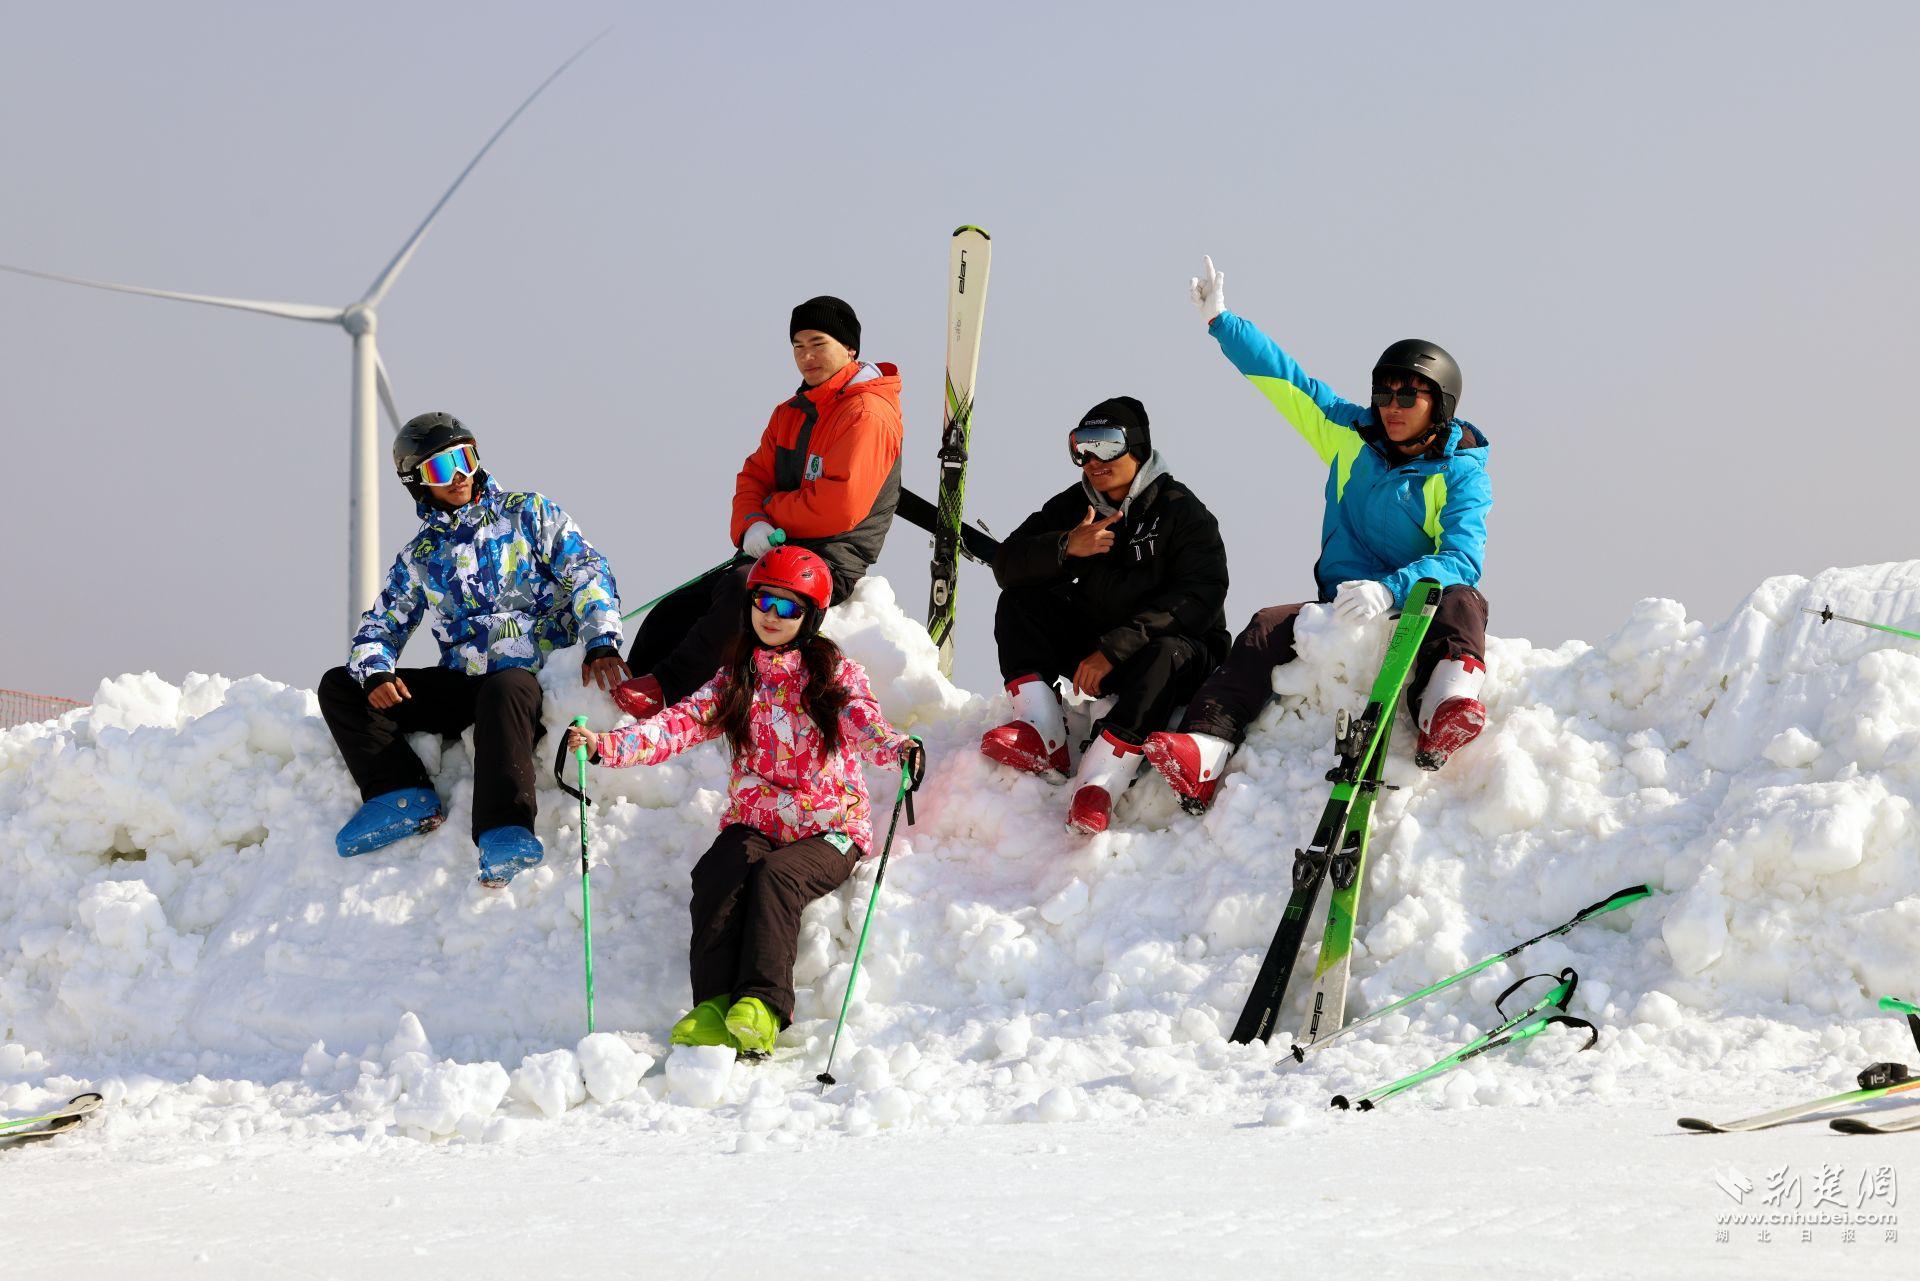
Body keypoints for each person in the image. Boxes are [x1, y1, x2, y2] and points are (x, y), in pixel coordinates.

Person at [1144, 257, 1492, 813]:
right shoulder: (1349, 436)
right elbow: (1287, 382)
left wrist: (1392, 588)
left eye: (1409, 396)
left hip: (1417, 605)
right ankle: (1206, 747)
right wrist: (1222, 323)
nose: (1392, 407)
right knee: (1266, 625)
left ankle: (1445, 708)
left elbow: (1462, 556)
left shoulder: (1461, 471)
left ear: (1440, 405)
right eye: (1385, 393)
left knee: (1464, 600)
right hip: (1344, 605)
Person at [567, 546, 925, 1056]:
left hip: (831, 828)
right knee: (719, 869)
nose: (773, 617)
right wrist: (605, 747)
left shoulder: (832, 676)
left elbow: (864, 721)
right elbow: (678, 725)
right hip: (758, 821)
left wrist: (898, 749)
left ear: (811, 617)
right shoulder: (736, 680)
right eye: (764, 603)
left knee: (778, 877)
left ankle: (762, 1005)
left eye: (789, 608)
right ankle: (713, 1005)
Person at [318, 412, 627, 887]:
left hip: (529, 678)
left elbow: (588, 570)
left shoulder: (529, 513)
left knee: (504, 689)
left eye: (463, 458)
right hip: (466, 682)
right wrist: (378, 672)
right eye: (441, 469)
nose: (459, 475)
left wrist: (601, 639)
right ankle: (400, 794)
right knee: (342, 684)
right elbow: (380, 625)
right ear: (417, 482)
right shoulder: (421, 557)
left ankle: (505, 828)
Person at [611, 296, 903, 721]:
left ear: (849, 348)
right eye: (798, 346)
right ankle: (630, 692)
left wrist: (771, 513)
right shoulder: (791, 412)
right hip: (775, 548)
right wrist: (751, 525)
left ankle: (669, 693)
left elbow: (840, 507)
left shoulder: (867, 412)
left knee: (742, 592)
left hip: (830, 558)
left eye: (818, 343)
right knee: (674, 609)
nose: (807, 356)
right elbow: (752, 479)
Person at [979, 396, 1229, 835]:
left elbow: (1198, 599)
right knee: (1020, 601)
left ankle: (1100, 783)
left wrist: (1113, 651)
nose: (1093, 461)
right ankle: (1042, 731)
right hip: (1100, 643)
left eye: (1107, 446)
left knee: (1166, 653)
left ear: (1137, 448)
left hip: (1171, 655)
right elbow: (1006, 564)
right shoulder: (1075, 505)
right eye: (1081, 448)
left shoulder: (1182, 512)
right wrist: (1064, 548)